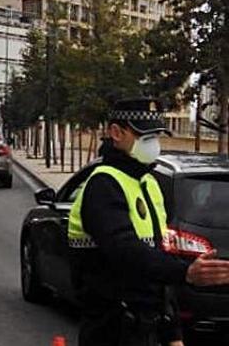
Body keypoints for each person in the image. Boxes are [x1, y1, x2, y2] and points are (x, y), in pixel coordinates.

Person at [69, 98, 229, 346]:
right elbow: (125, 251)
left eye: (156, 135)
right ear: (116, 133)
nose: (154, 143)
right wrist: (185, 272)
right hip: (111, 329)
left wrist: (173, 332)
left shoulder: (147, 183)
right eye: (145, 136)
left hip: (146, 328)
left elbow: (156, 265)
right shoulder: (103, 185)